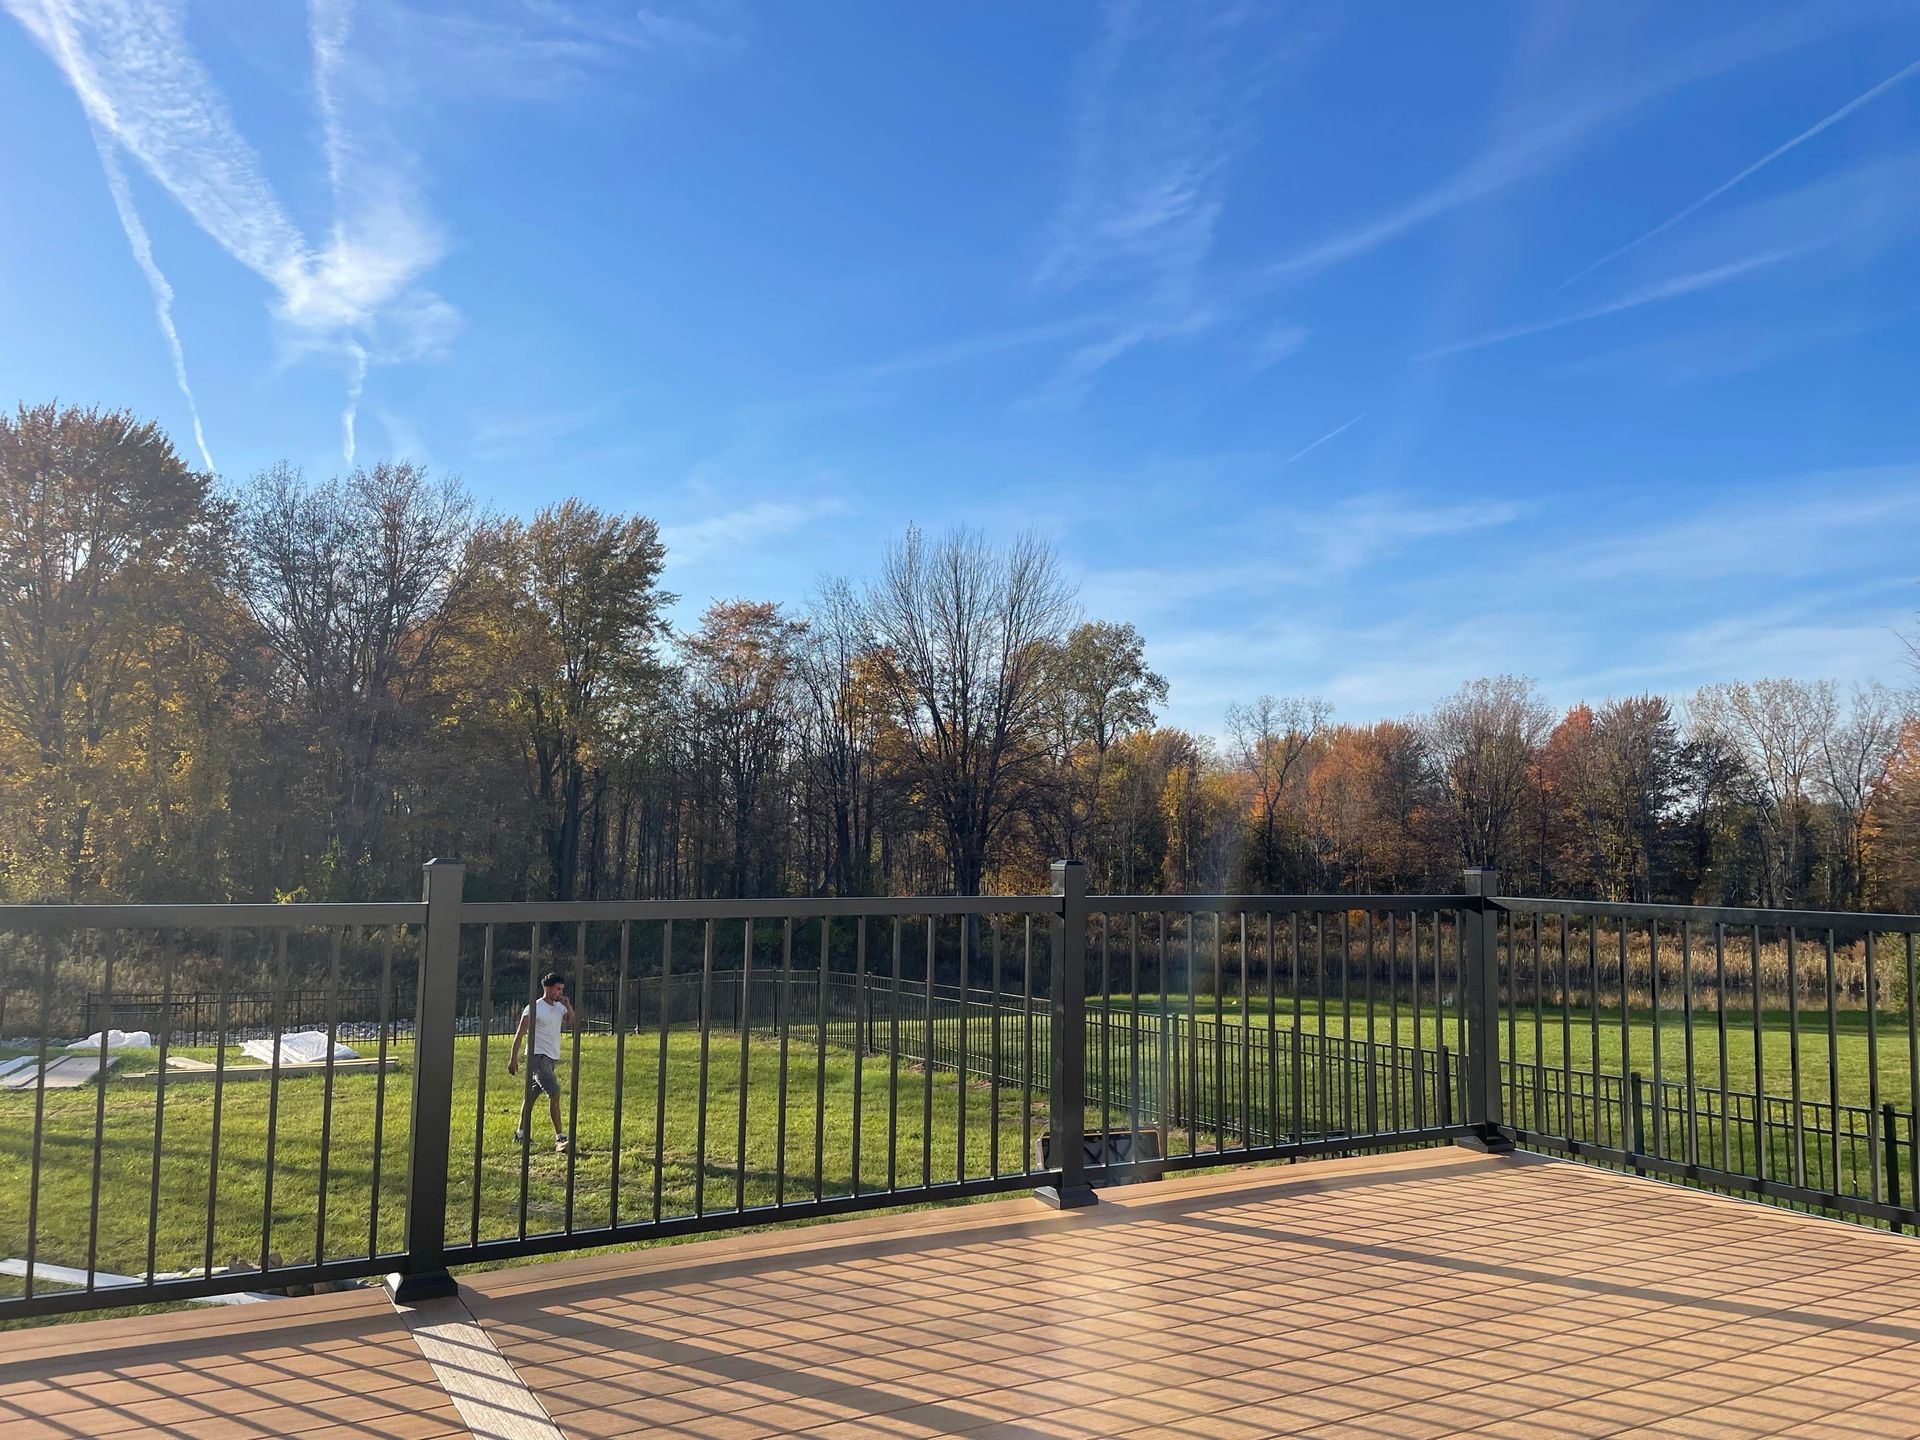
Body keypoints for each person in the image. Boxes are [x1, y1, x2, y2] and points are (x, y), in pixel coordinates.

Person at [509, 971, 576, 1152]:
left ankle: (521, 1134)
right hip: (537, 1058)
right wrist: (513, 1058)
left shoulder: (559, 1006)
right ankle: (560, 1138)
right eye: (557, 989)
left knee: (530, 1097)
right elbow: (519, 1034)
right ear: (547, 988)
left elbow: (574, 1024)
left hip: (551, 1058)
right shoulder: (534, 1008)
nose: (560, 993)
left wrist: (568, 1006)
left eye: (562, 989)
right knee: (554, 1092)